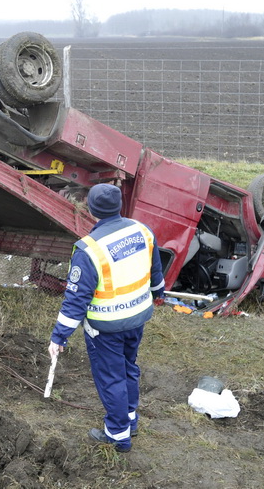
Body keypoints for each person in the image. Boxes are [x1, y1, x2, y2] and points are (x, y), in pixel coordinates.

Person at [48, 183, 165, 452]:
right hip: (137, 317)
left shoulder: (89, 250)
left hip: (105, 328)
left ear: (90, 209)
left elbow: (76, 300)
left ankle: (118, 434)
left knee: (111, 378)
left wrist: (59, 337)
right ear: (119, 205)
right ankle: (130, 420)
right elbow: (155, 271)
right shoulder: (142, 230)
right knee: (128, 367)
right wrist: (159, 294)